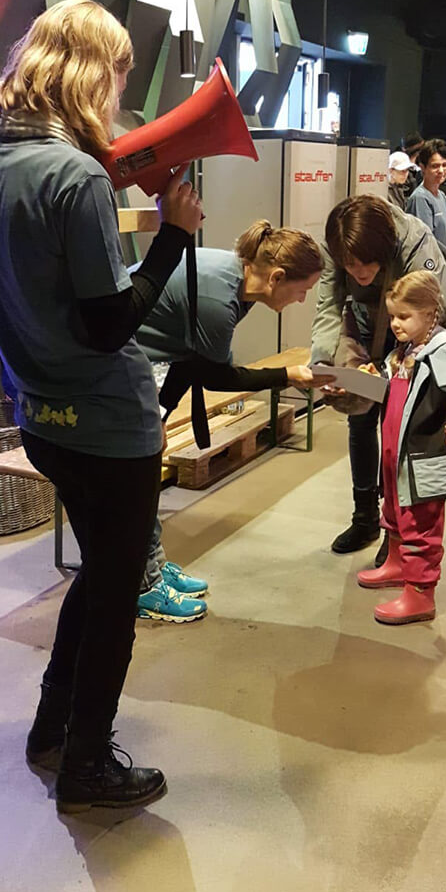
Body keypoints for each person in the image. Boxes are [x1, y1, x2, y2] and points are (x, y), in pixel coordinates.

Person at [0, 0, 203, 815]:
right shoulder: (74, 174)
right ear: (95, 73)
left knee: (96, 580)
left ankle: (52, 728)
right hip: (108, 425)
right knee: (116, 593)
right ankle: (88, 765)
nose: (121, 93)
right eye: (121, 74)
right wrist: (173, 233)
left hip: (43, 421)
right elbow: (109, 327)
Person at [134, 221, 327, 622]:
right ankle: (142, 584)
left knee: (147, 469)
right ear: (277, 277)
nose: (302, 299)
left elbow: (191, 358)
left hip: (141, 367)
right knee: (135, 480)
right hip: (111, 365)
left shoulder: (240, 283)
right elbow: (217, 376)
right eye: (301, 289)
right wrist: (289, 375)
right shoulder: (218, 299)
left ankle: (150, 563)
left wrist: (163, 415)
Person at [310, 194, 446, 559]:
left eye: (366, 264)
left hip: (417, 332)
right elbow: (329, 308)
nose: (359, 272)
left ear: (384, 248)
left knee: (401, 429)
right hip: (366, 329)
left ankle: (394, 532)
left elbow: (438, 312)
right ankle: (364, 518)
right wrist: (322, 366)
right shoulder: (336, 244)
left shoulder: (414, 240)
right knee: (360, 417)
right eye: (350, 266)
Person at [357, 271, 446, 624]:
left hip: (425, 457)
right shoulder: (404, 352)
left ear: (429, 313)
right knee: (393, 508)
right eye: (392, 316)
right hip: (394, 452)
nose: (395, 324)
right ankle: (395, 565)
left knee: (421, 522)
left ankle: (421, 594)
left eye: (404, 316)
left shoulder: (443, 350)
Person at [406, 138, 446, 271]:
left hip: (443, 267)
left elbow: (444, 233)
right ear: (422, 167)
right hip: (428, 270)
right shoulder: (420, 198)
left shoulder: (440, 196)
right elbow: (427, 239)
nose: (441, 170)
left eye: (445, 165)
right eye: (435, 166)